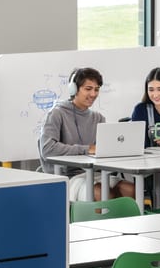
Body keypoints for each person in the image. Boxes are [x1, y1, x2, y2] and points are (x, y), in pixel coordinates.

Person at [40, 67, 135, 202]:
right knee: (102, 193)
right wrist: (86, 149)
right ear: (74, 89)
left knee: (131, 189)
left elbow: (101, 151)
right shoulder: (57, 114)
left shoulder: (98, 118)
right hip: (66, 177)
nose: (93, 94)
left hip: (94, 174)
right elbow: (47, 149)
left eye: (96, 89)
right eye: (88, 89)